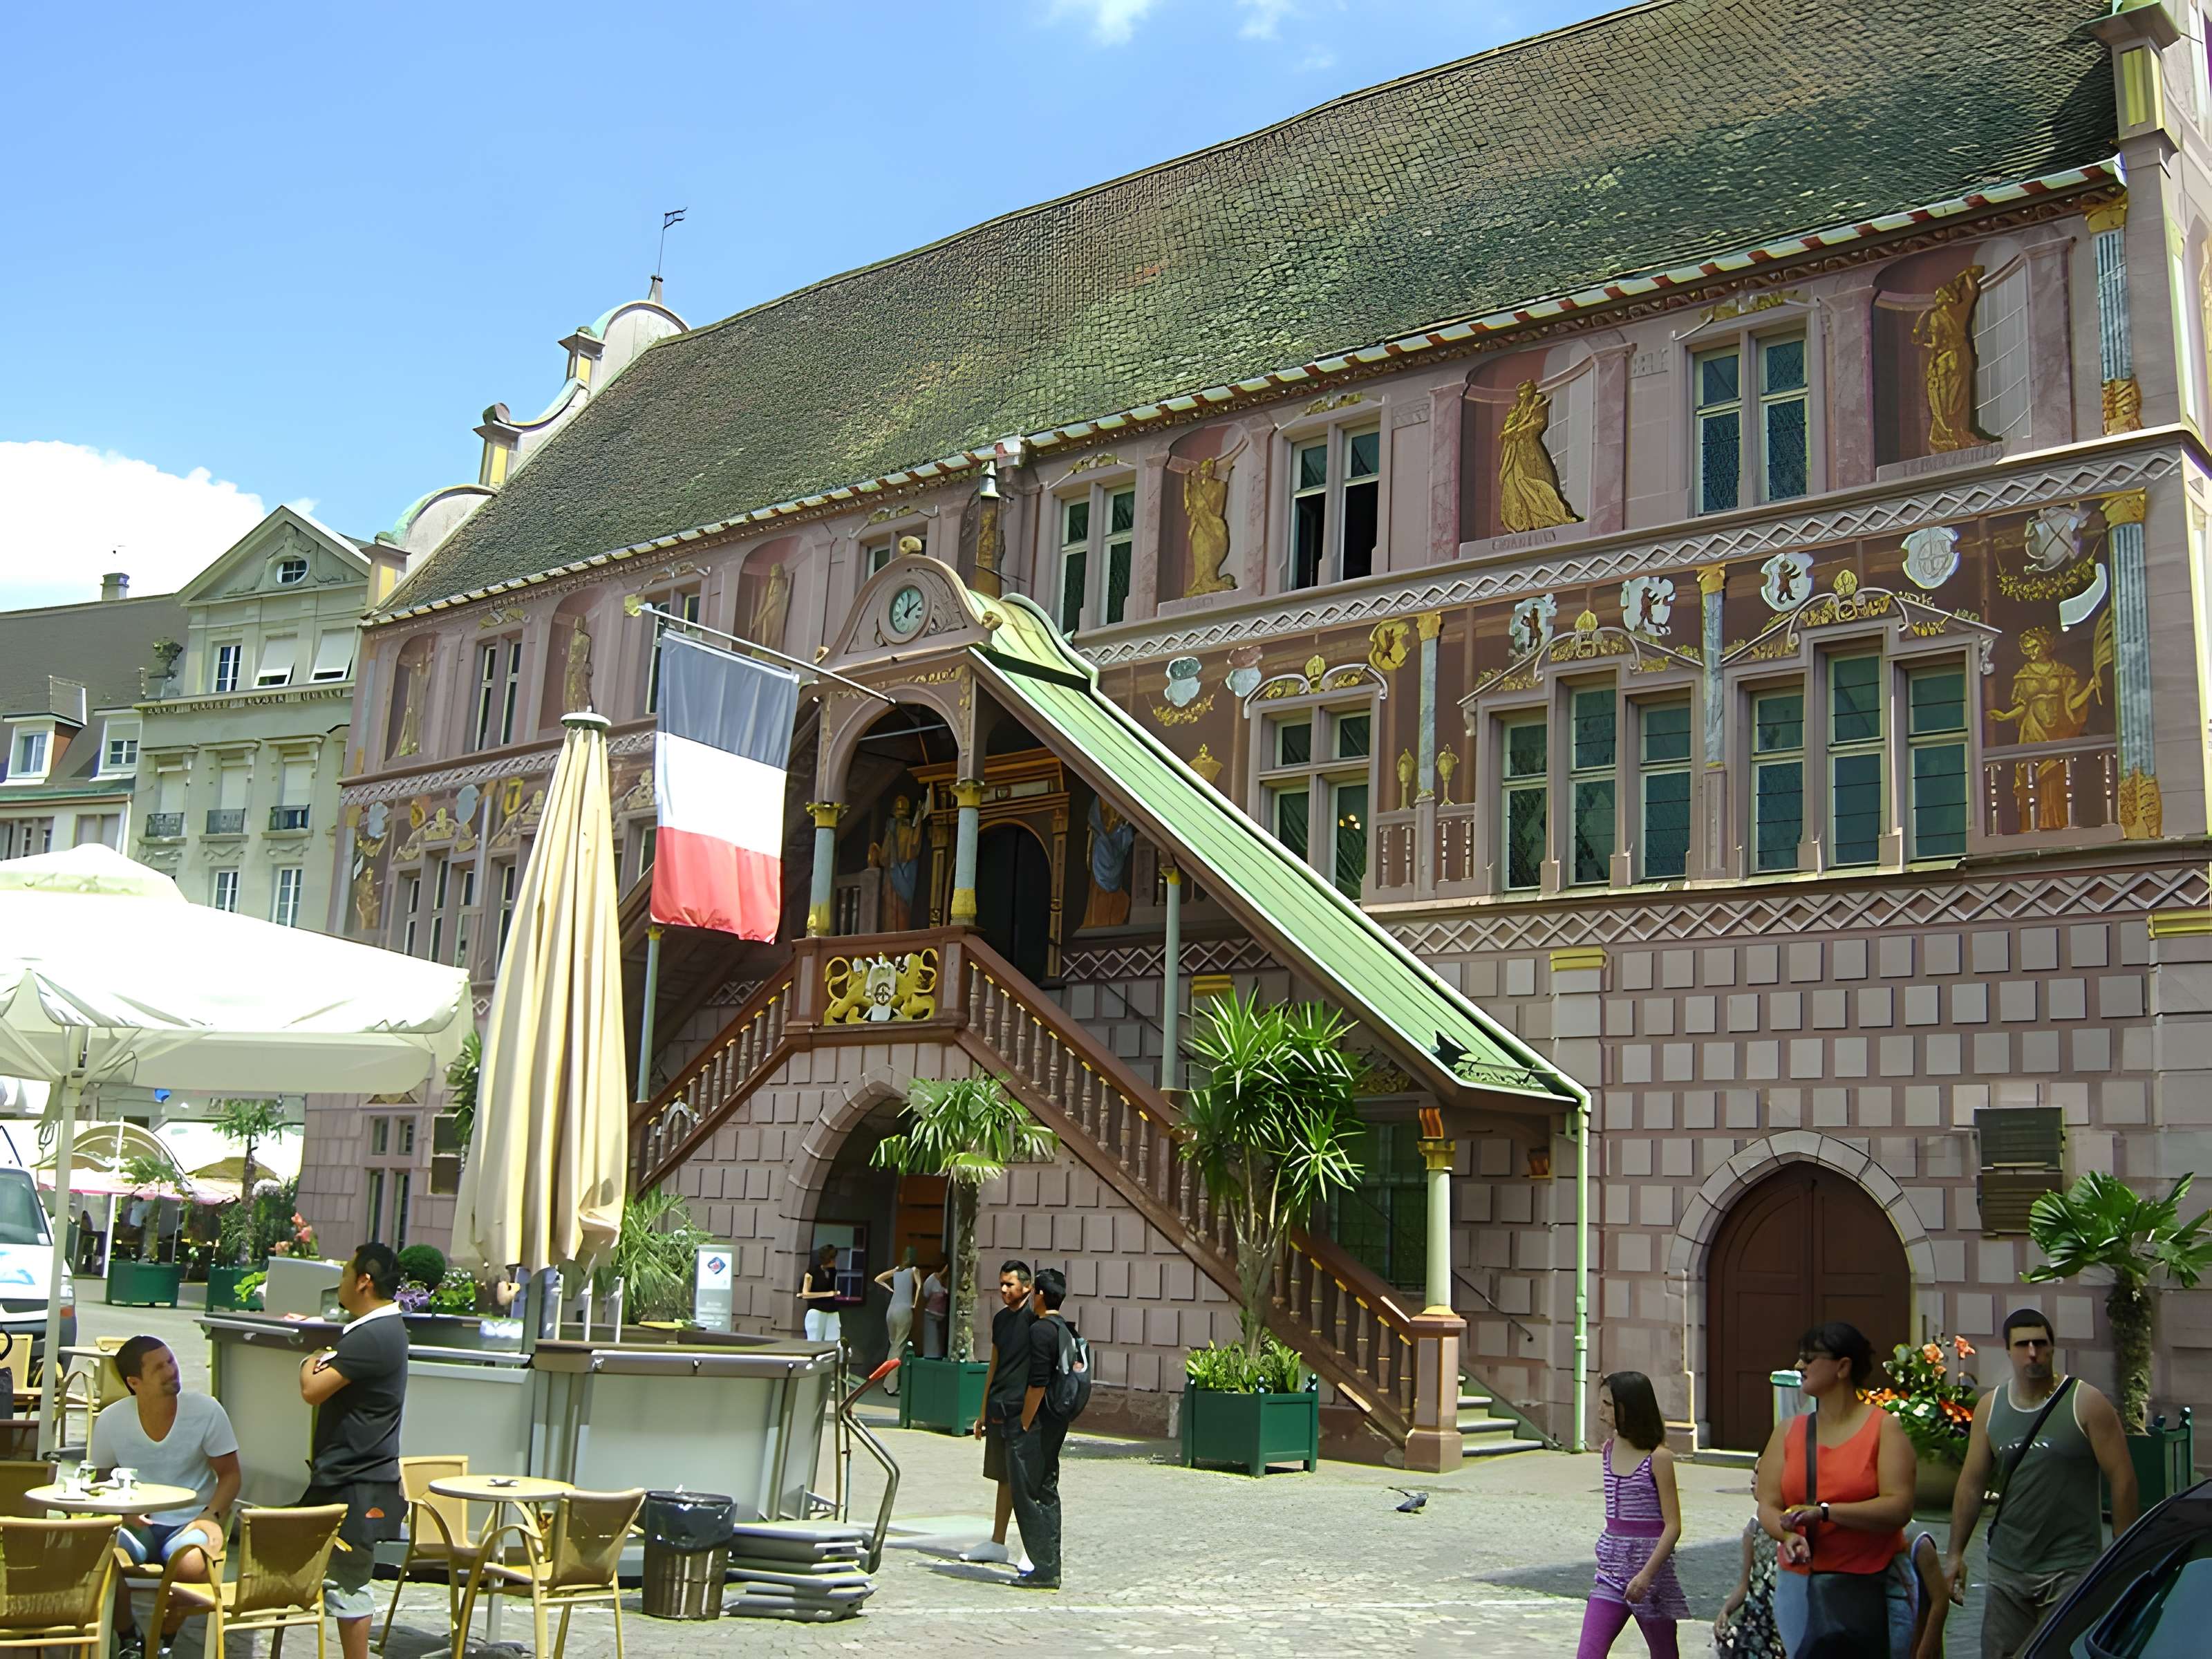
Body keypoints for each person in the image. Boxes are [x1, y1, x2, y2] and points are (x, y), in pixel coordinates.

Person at [1942, 1306, 2138, 1658]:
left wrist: (2122, 1555)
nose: (2032, 1353)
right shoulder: (1991, 1408)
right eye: (2022, 1345)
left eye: (2040, 1343)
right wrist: (1955, 1553)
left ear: (2052, 1347)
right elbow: (1971, 1485)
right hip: (2007, 1568)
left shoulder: (2086, 1403)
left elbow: (2122, 1478)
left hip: (2069, 1568)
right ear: (2008, 1350)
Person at [1755, 1321, 1916, 1657]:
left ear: (1843, 1367)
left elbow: (1898, 1508)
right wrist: (1787, 1536)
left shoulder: (1884, 1429)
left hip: (1874, 1585)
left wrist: (1825, 1513)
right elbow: (1768, 1505)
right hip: (1802, 1585)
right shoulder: (1788, 1432)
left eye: (1809, 1358)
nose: (1800, 1366)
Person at [95, 1336, 241, 1659]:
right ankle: (128, 1636)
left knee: (192, 1563)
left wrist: (211, 1514)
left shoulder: (205, 1411)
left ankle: (164, 1639)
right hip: (137, 1522)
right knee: (103, 1556)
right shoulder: (111, 1419)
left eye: (171, 1361)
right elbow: (101, 1480)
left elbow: (231, 1475)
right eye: (159, 1367)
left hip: (191, 1521)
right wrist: (122, 1512)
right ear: (134, 1382)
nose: (171, 1371)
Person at [299, 1241, 409, 1659]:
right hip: (350, 1476)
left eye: (346, 1273)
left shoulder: (374, 1335)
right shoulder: (377, 1330)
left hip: (355, 1481)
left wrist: (312, 1359)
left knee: (348, 1583)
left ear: (364, 1281)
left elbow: (313, 1389)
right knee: (333, 1579)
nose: (340, 1282)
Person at [1578, 1370, 1686, 1656]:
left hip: (1650, 1569)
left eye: (1608, 1404)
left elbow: (1673, 1526)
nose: (1600, 1411)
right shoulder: (1608, 1449)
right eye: (1600, 1402)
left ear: (1631, 1407)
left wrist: (1646, 1575)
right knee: (1590, 1651)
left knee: (1663, 1652)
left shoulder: (1659, 1458)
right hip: (1611, 1568)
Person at [961, 1259, 1034, 1571]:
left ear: (1027, 1287)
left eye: (1010, 1284)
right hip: (999, 1408)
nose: (1003, 1289)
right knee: (1004, 1477)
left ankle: (1034, 1547)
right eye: (1001, 1284)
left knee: (1026, 1481)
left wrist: (1032, 1416)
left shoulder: (1037, 1322)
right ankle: (997, 1541)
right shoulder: (1001, 1320)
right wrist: (982, 1410)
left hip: (1023, 1411)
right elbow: (994, 1365)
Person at [1007, 1266, 1076, 1592]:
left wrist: (1024, 1422)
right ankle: (1051, 1565)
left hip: (1040, 1420)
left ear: (1041, 1296)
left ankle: (1043, 1567)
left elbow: (1037, 1383)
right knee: (1048, 1488)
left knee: (1029, 1490)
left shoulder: (1040, 1331)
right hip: (1059, 1419)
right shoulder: (1066, 1329)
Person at [1714, 1515, 1786, 1658]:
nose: (1753, 1490)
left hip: (1786, 1621)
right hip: (1757, 1623)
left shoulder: (1796, 1524)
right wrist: (1726, 1610)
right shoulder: (1754, 1527)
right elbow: (1745, 1584)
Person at [874, 1249, 919, 1395]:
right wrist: (915, 1303)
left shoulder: (896, 1270)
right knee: (898, 1347)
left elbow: (878, 1279)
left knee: (894, 1345)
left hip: (891, 1309)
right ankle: (891, 1385)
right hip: (904, 1309)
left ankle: (889, 1380)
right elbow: (919, 1286)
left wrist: (891, 1290)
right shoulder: (914, 1270)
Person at [800, 1244, 842, 1346]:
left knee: (833, 1341)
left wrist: (833, 1294)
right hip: (817, 1309)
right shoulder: (812, 1272)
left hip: (832, 1310)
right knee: (815, 1341)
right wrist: (828, 1294)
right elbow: (804, 1294)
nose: (835, 1262)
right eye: (833, 1259)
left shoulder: (832, 1272)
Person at [921, 1259, 950, 1360]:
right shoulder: (933, 1279)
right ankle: (930, 1356)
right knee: (931, 1340)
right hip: (931, 1313)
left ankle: (938, 1356)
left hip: (942, 1316)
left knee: (939, 1343)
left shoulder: (948, 1281)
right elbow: (926, 1293)